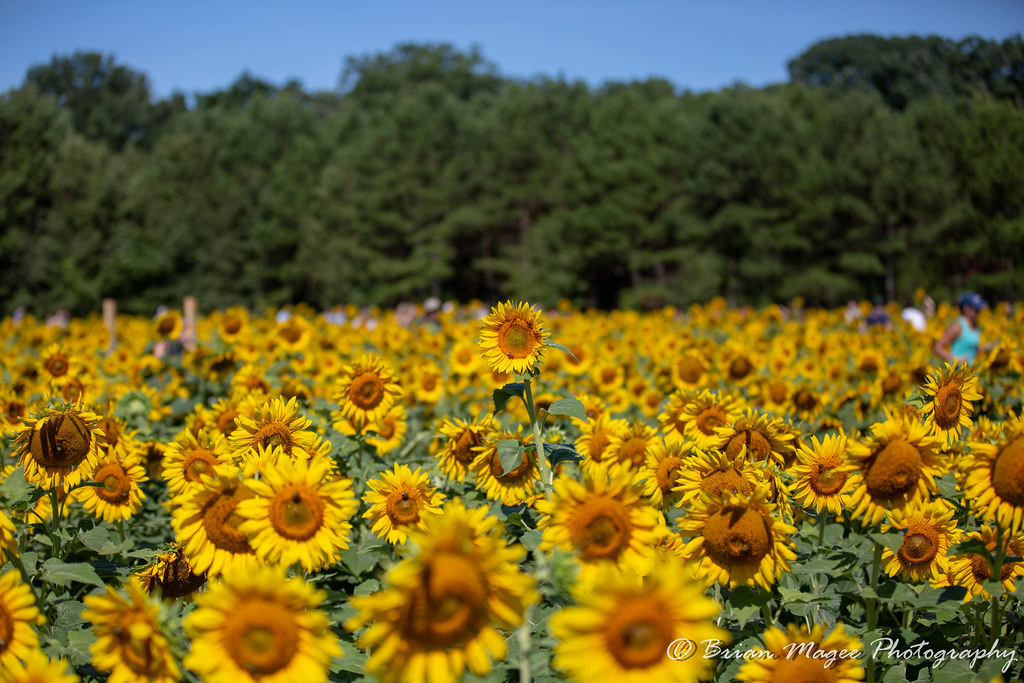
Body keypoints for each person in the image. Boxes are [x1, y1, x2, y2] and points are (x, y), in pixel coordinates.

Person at [933, 291, 993, 364]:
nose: (978, 313)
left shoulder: (975, 326)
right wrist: (956, 360)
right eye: (976, 310)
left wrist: (985, 348)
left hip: (969, 372)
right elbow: (938, 347)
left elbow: (970, 349)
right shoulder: (958, 326)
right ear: (966, 308)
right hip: (957, 373)